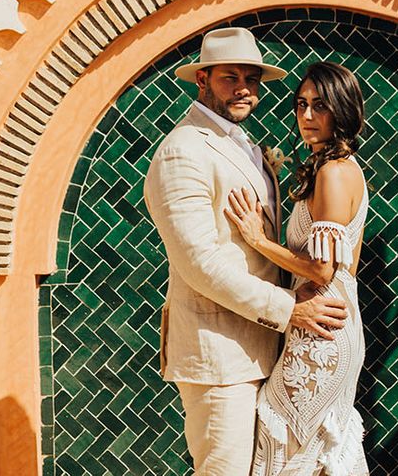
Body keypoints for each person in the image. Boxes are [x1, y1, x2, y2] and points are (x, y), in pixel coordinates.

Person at [144, 28, 348, 476]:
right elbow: (199, 263)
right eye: (229, 77)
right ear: (202, 79)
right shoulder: (183, 151)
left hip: (272, 350)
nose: (243, 89)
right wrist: (286, 308)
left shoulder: (248, 147)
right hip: (221, 356)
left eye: (251, 80)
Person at [226, 61, 369, 476]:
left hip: (323, 328)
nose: (307, 116)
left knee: (289, 438)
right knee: (311, 449)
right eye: (301, 104)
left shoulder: (334, 173)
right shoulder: (335, 168)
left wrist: (258, 240)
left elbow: (323, 270)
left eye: (319, 106)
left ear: (341, 111)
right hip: (324, 323)